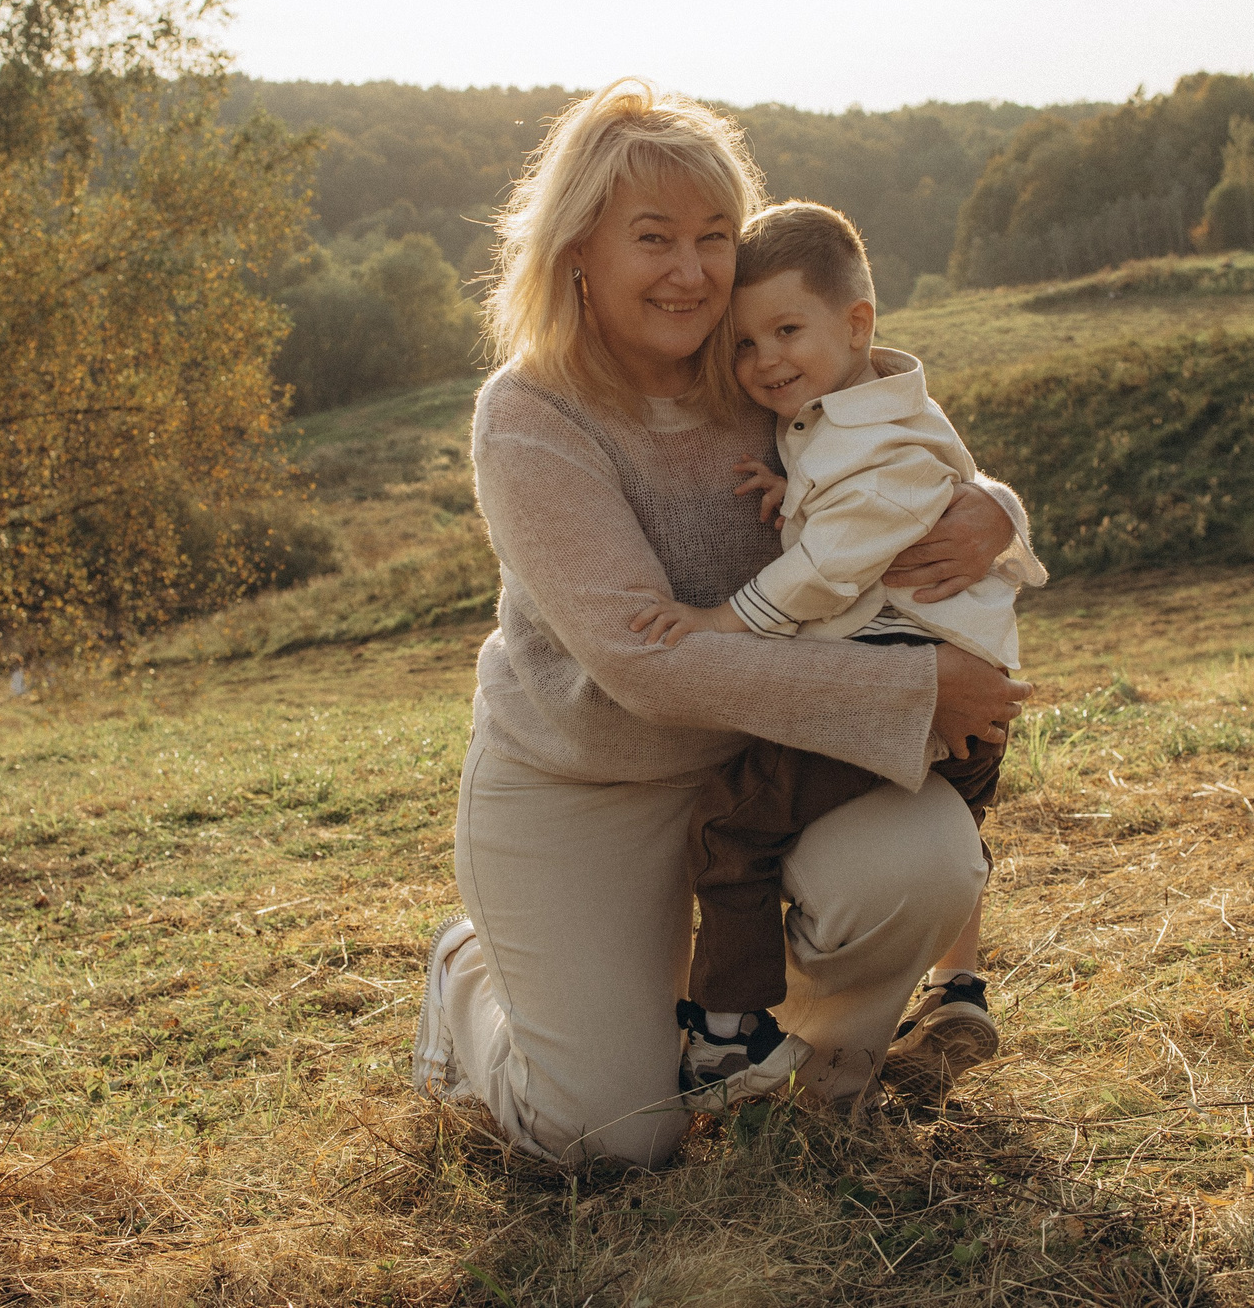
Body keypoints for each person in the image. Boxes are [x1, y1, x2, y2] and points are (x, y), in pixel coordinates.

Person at [410, 81, 1035, 1167]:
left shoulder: (761, 365)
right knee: (608, 1137)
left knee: (924, 858)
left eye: (712, 237)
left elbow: (904, 451)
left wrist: (995, 508)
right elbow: (641, 665)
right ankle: (468, 978)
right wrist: (915, 692)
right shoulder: (529, 415)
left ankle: (816, 1085)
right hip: (586, 782)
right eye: (653, 239)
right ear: (577, 256)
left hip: (771, 764)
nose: (692, 271)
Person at [624, 201, 1041, 1108]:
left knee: (733, 828)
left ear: (856, 323)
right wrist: (796, 485)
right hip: (935, 675)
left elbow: (825, 570)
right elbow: (852, 502)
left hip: (910, 678)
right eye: (744, 343)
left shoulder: (880, 442)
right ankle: (934, 997)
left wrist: (721, 621)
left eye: (785, 331)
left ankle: (727, 1035)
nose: (764, 359)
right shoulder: (852, 416)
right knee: (947, 838)